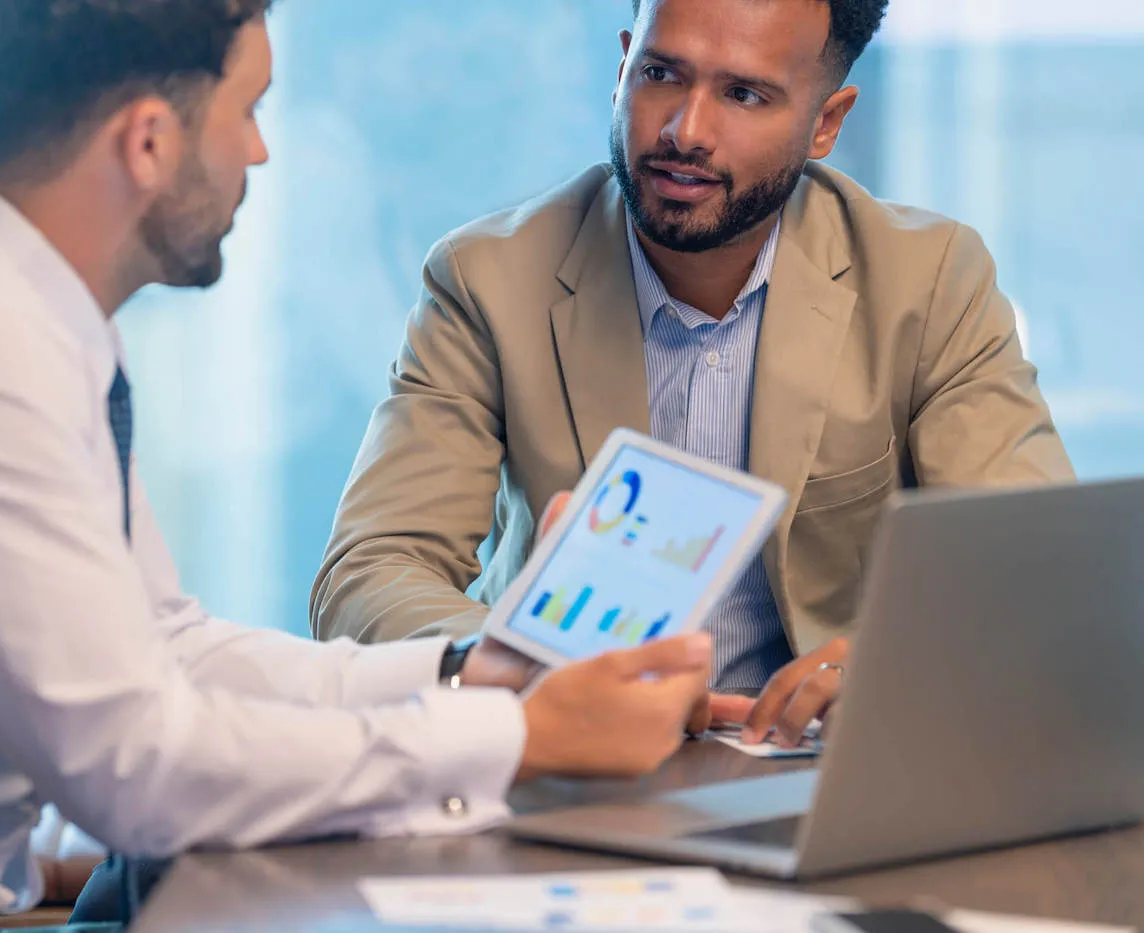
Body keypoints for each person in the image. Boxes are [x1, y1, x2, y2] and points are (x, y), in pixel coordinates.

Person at [0, 3, 718, 931]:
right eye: (247, 110)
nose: (258, 149)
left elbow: (164, 647)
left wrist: (475, 673)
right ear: (149, 141)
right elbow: (136, 768)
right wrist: (526, 740)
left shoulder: (6, 312)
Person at [312, 0, 1074, 748]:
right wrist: (517, 666)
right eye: (662, 74)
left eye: (744, 94)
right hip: (570, 762)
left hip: (823, 768)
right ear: (621, 68)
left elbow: (1038, 578)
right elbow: (372, 570)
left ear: (826, 123)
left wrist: (896, 666)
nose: (686, 131)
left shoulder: (928, 281)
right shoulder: (487, 279)